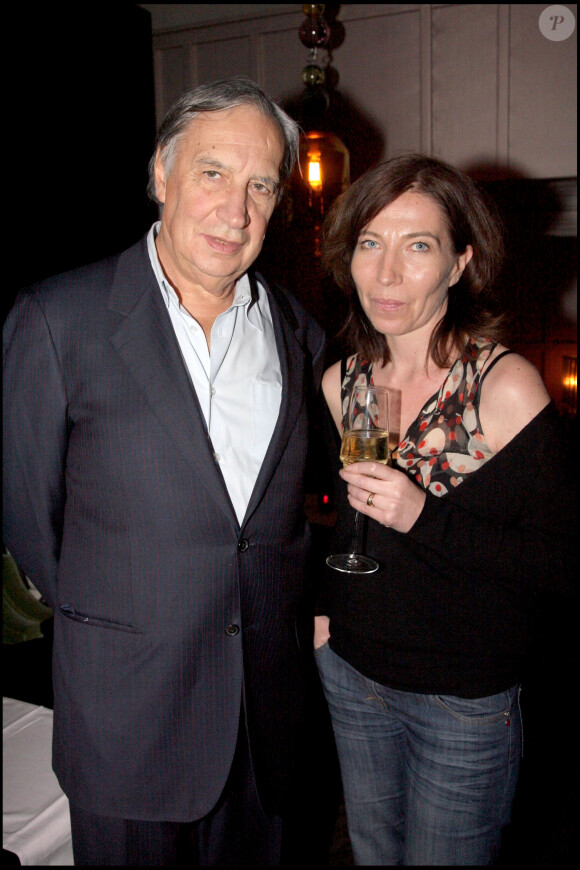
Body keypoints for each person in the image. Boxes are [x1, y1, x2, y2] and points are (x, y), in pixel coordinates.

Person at [3, 77, 325, 866]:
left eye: (260, 185)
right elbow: (29, 522)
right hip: (129, 722)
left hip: (267, 729)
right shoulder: (57, 319)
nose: (236, 209)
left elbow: (286, 525)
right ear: (160, 175)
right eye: (213, 173)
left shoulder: (299, 331)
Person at [313, 154, 576, 865]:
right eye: (370, 242)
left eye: (417, 246)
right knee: (370, 853)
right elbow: (340, 525)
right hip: (351, 674)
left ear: (461, 263)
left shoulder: (505, 388)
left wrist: (423, 515)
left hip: (460, 701)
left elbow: (561, 564)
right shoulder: (345, 381)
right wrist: (321, 612)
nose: (387, 273)